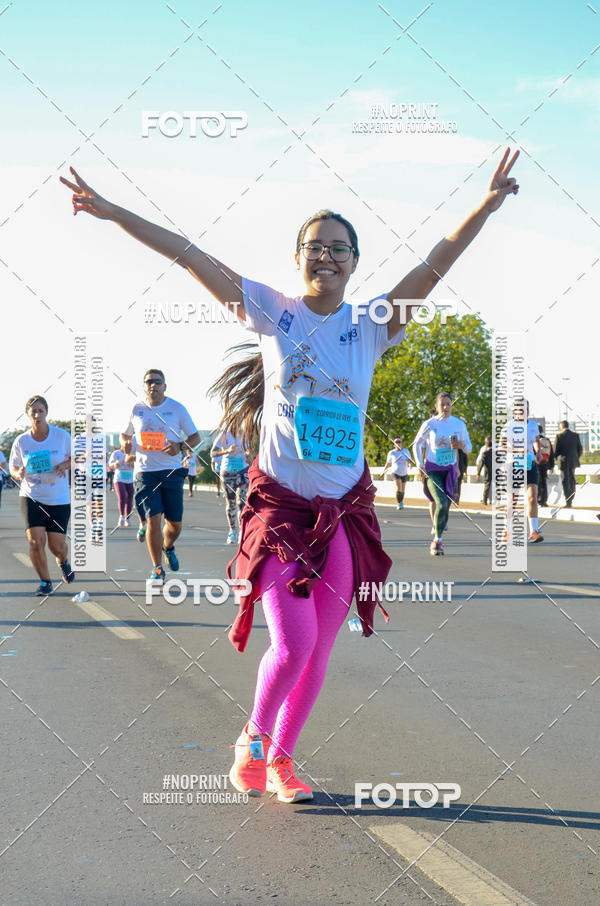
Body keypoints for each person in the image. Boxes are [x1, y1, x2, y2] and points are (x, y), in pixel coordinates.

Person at [61, 147, 520, 803]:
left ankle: (280, 760)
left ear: (355, 262)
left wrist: (487, 202)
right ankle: (251, 741)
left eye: (339, 248)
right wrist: (111, 212)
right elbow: (189, 253)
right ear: (298, 257)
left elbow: (435, 262)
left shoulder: (371, 326)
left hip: (342, 517)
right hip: (280, 513)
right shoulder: (272, 311)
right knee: (293, 642)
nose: (326, 256)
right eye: (315, 247)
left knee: (320, 654)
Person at [121, 370, 200, 583]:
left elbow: (195, 437)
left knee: (174, 525)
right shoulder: (137, 409)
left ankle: (168, 546)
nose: (153, 385)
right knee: (153, 519)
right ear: (144, 386)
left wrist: (180, 446)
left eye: (157, 382)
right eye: (148, 382)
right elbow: (125, 435)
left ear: (164, 386)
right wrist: (125, 444)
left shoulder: (176, 408)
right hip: (145, 473)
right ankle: (157, 569)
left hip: (172, 472)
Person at [9, 396, 74, 595]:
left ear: (46, 413)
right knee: (35, 542)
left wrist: (65, 464)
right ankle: (45, 582)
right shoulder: (22, 440)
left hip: (58, 498)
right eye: (33, 412)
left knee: (57, 546)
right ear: (28, 415)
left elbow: (76, 458)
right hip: (31, 496)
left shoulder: (61, 436)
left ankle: (63, 560)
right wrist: (17, 472)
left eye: (40, 411)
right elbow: (13, 465)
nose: (37, 415)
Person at [412, 393, 472, 555]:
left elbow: (469, 447)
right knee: (441, 501)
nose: (446, 407)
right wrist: (419, 465)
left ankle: (438, 535)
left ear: (452, 406)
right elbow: (416, 445)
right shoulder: (429, 424)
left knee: (447, 503)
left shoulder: (459, 424)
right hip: (433, 470)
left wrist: (461, 445)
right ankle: (437, 540)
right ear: (437, 407)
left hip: (450, 470)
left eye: (448, 404)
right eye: (442, 404)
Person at [501, 400, 543, 542]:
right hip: (514, 463)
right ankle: (507, 531)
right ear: (515, 411)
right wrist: (517, 450)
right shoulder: (508, 426)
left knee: (532, 497)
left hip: (529, 463)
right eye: (521, 409)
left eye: (526, 408)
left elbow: (536, 440)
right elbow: (502, 446)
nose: (524, 411)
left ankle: (534, 532)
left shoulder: (533, 425)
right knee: (513, 500)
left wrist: (538, 452)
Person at [210, 431, 249, 543]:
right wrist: (227, 451)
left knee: (242, 502)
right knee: (231, 503)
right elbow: (212, 453)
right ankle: (232, 530)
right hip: (228, 472)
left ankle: (243, 531)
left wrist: (248, 453)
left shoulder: (246, 433)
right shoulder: (224, 435)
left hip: (242, 470)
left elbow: (250, 449)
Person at [554, 420, 582, 508]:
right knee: (572, 480)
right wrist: (576, 457)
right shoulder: (575, 435)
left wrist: (554, 459)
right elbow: (580, 449)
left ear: (561, 426)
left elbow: (556, 451)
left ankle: (568, 501)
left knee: (565, 480)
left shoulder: (559, 436)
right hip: (573, 461)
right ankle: (572, 497)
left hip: (563, 461)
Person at [109, 441, 135, 526]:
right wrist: (115, 464)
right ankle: (121, 516)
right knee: (122, 496)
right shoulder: (116, 453)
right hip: (119, 478)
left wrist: (132, 464)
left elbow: (138, 464)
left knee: (130, 498)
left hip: (130, 478)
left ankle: (128, 518)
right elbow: (110, 465)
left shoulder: (133, 453)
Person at [382, 438, 412, 509]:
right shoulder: (391, 453)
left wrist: (410, 464)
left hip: (404, 473)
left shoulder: (406, 451)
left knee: (403, 490)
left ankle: (401, 501)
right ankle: (399, 503)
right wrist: (383, 471)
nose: (398, 444)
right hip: (395, 472)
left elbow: (409, 460)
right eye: (396, 442)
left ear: (402, 443)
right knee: (399, 488)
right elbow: (388, 463)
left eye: (399, 442)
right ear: (394, 444)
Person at [536, 426, 554, 508]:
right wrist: (551, 466)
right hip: (545, 463)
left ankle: (538, 499)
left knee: (537, 482)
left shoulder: (535, 440)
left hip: (536, 464)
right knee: (543, 481)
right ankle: (544, 500)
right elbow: (551, 454)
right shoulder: (547, 440)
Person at [476, 436, 493, 505]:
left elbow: (481, 464)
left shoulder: (485, 453)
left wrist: (478, 473)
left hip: (488, 471)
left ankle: (484, 500)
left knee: (487, 485)